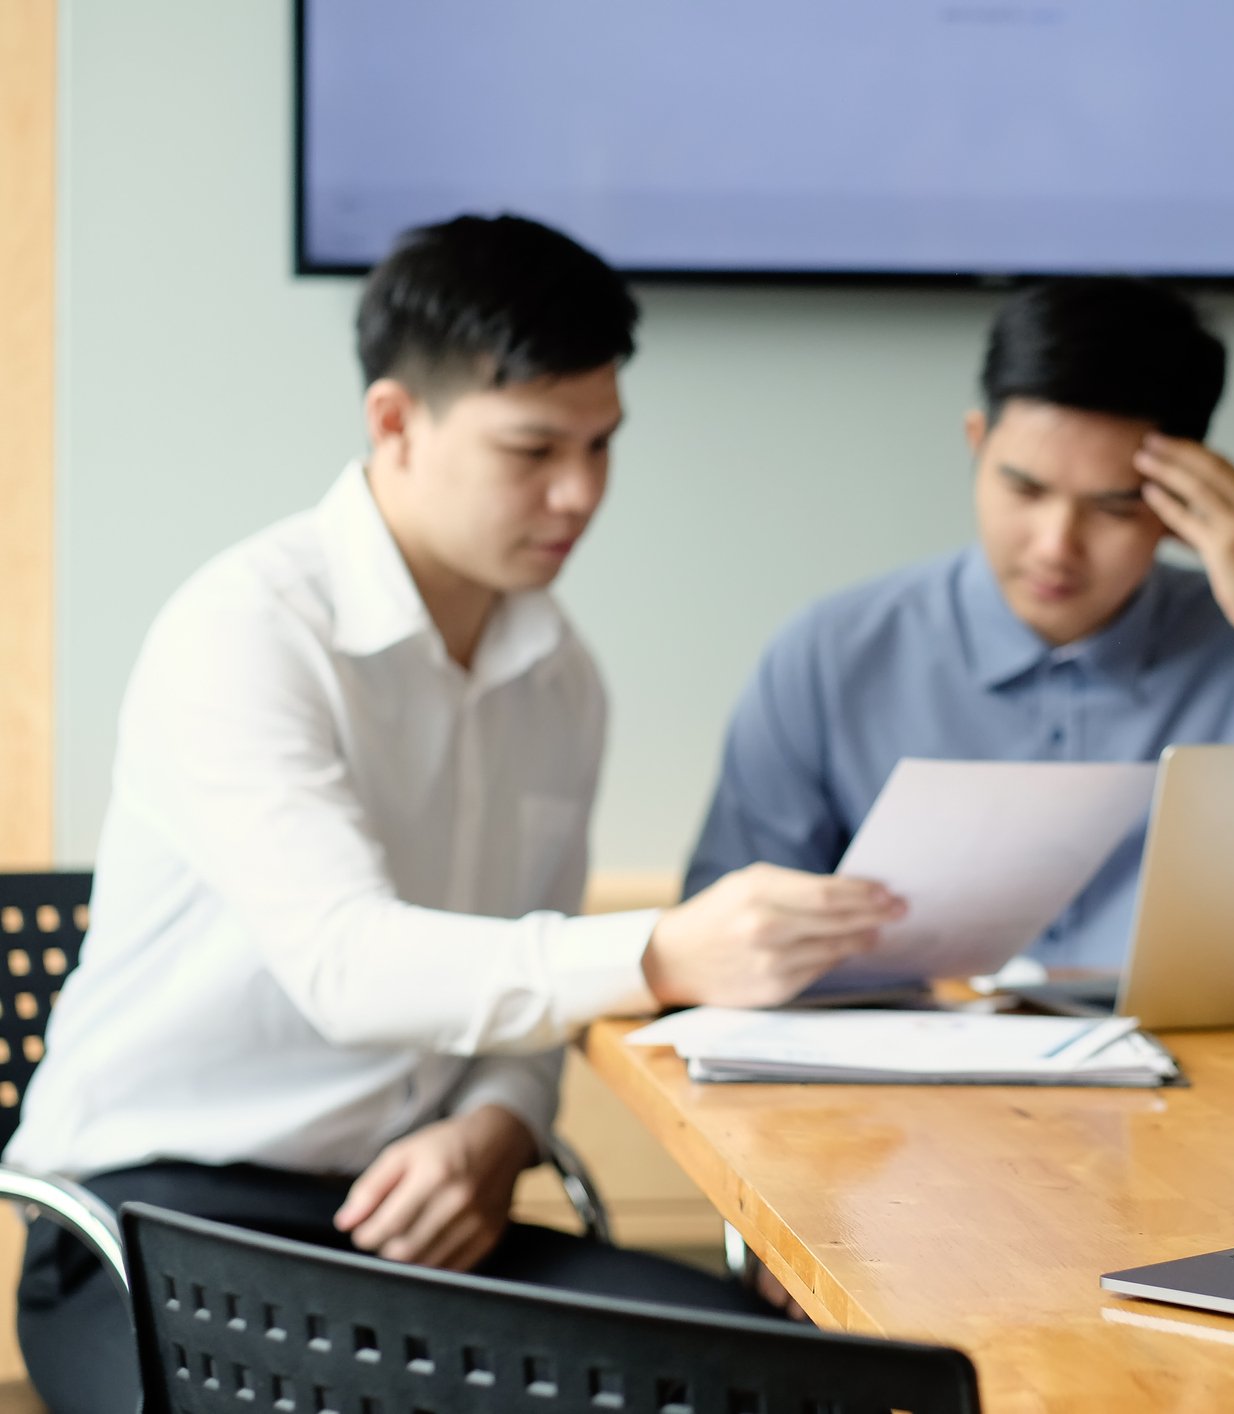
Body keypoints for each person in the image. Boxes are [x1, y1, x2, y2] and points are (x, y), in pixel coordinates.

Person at [8, 214, 902, 1414]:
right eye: (534, 448)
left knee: (801, 1384)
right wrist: (663, 949)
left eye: (600, 445)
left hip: (414, 1214)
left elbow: (523, 993)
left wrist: (494, 1126)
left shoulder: (561, 672)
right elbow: (346, 961)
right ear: (394, 422)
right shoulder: (247, 628)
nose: (579, 491)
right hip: (153, 1222)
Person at [682, 277, 1234, 971]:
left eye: (1113, 508)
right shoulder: (829, 654)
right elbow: (721, 952)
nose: (1054, 546)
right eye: (1023, 489)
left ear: (1180, 498)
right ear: (976, 442)